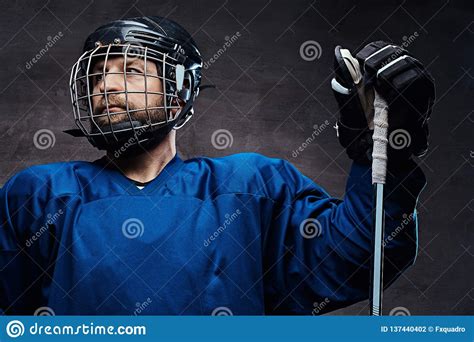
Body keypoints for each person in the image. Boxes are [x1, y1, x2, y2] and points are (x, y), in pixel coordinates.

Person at [0, 16, 435, 315]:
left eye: (130, 70)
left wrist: (382, 155)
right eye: (98, 76)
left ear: (179, 92)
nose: (107, 86)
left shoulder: (252, 187)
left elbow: (362, 257)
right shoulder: (37, 196)